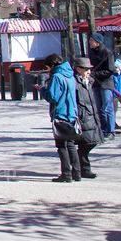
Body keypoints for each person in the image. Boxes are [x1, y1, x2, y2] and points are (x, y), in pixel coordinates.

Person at [41, 53, 80, 183]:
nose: (47, 70)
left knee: (62, 145)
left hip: (60, 113)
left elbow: (53, 96)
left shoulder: (57, 77)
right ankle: (77, 172)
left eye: (47, 67)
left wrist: (42, 90)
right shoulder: (70, 75)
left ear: (52, 65)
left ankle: (66, 173)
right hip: (71, 112)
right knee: (71, 144)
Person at [73, 57, 103, 180]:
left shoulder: (89, 81)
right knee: (86, 143)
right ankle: (83, 168)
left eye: (89, 69)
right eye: (86, 69)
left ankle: (82, 168)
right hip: (83, 116)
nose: (89, 71)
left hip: (92, 115)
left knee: (92, 142)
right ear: (78, 69)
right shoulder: (75, 82)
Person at [87, 32, 117, 140]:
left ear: (98, 42)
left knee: (107, 107)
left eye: (91, 40)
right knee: (99, 108)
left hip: (106, 83)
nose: (89, 42)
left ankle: (111, 131)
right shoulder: (91, 53)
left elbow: (110, 70)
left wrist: (94, 74)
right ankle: (103, 129)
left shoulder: (107, 53)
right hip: (95, 83)